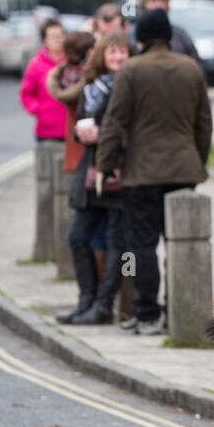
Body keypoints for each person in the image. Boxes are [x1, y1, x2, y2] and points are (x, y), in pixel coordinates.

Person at [96, 8, 212, 335]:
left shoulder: (131, 70)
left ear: (142, 38)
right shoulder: (191, 69)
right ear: (168, 35)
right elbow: (204, 125)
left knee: (142, 246)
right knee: (180, 243)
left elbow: (114, 122)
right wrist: (196, 162)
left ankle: (146, 314)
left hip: (141, 174)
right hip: (184, 170)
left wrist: (104, 166)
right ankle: (178, 314)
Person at [57, 33, 130, 324]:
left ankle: (102, 306)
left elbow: (137, 131)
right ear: (101, 55)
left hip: (118, 172)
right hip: (90, 175)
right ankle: (85, 300)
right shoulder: (91, 89)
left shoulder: (132, 85)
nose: (117, 58)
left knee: (116, 243)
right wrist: (81, 133)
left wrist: (107, 135)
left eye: (122, 52)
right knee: (77, 237)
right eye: (112, 52)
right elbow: (78, 127)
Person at [46, 31, 96, 175]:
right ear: (88, 51)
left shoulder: (66, 72)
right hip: (84, 128)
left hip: (71, 126)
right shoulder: (89, 75)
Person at [19, 19, 66, 144]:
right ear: (45, 40)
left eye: (60, 35)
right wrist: (39, 110)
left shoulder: (72, 62)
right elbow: (26, 94)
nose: (58, 39)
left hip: (70, 129)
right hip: (46, 132)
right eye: (53, 36)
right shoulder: (36, 64)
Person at [134, 0, 200, 61]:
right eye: (153, 1)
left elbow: (195, 61)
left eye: (162, 0)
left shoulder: (180, 34)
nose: (158, 5)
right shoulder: (133, 34)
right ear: (143, 5)